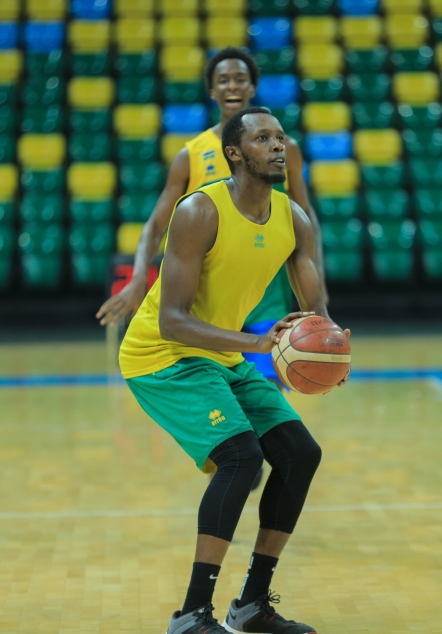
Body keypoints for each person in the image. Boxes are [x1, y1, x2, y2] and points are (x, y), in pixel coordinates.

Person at [119, 107, 348, 634]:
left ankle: (251, 605)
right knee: (240, 457)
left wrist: (329, 347)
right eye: (263, 138)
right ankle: (191, 615)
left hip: (224, 353)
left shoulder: (295, 218)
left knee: (299, 455)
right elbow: (174, 322)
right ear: (235, 153)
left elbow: (317, 307)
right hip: (162, 356)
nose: (276, 146)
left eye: (281, 137)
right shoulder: (200, 210)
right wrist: (255, 343)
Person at [97, 47, 326, 391]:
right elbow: (156, 224)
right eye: (223, 81)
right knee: (216, 400)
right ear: (213, 91)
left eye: (240, 80)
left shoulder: (284, 148)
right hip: (210, 300)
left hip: (264, 293)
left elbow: (305, 216)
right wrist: (138, 278)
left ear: (252, 87)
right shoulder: (191, 154)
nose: (232, 87)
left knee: (266, 396)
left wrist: (317, 286)